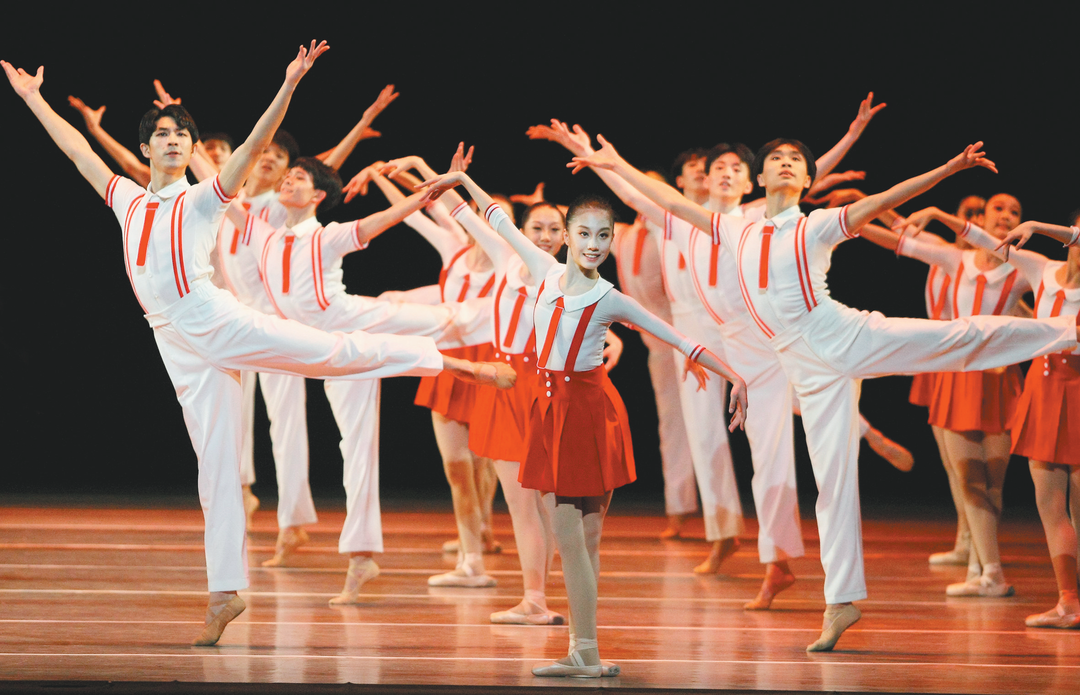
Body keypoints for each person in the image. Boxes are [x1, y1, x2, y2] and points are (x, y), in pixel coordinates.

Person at [1, 44, 513, 646]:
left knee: (334, 354)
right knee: (215, 467)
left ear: (192, 150)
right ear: (145, 149)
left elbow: (251, 145)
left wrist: (289, 83)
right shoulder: (126, 199)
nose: (173, 140)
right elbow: (77, 152)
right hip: (173, 341)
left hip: (215, 318)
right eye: (162, 134)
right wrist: (34, 100)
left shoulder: (201, 198)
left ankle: (450, 363)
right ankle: (224, 593)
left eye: (182, 135)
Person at [571, 135, 1078, 651]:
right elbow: (669, 201)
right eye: (776, 158)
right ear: (761, 177)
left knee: (957, 338)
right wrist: (615, 163)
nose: (786, 163)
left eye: (796, 160)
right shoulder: (734, 228)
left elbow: (883, 200)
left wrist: (946, 169)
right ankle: (841, 601)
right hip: (803, 366)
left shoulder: (815, 224)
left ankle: (1066, 331)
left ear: (807, 180)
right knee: (831, 481)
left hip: (843, 335)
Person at [418, 145, 748, 677]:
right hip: (551, 407)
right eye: (585, 234)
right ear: (568, 237)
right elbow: (496, 219)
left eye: (603, 236)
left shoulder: (611, 297)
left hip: (589, 412)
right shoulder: (541, 269)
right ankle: (585, 651)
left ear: (612, 241)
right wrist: (462, 181)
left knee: (576, 539)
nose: (594, 244)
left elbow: (678, 338)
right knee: (579, 540)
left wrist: (737, 377)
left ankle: (584, 652)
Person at [231, 157, 496, 604]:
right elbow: (220, 189)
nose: (287, 179)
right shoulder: (264, 234)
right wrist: (188, 152)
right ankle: (360, 556)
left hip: (352, 328)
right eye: (287, 176)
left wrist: (424, 191)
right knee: (352, 443)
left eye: (298, 177)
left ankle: (514, 313)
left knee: (439, 319)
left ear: (317, 195)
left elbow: (383, 219)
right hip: (318, 349)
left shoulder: (327, 235)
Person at [896, 197, 1034, 597]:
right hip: (958, 375)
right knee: (967, 478)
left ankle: (983, 566)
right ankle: (984, 567)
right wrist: (853, 215)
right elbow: (900, 239)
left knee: (994, 484)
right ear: (983, 218)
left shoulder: (1023, 269)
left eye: (1014, 212)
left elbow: (1059, 288)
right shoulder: (957, 260)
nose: (1006, 215)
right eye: (998, 209)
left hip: (1000, 381)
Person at [997, 215, 1080, 627]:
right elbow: (989, 243)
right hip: (1043, 388)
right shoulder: (1042, 269)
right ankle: (1068, 601)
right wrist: (940, 216)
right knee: (1050, 505)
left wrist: (1037, 224)